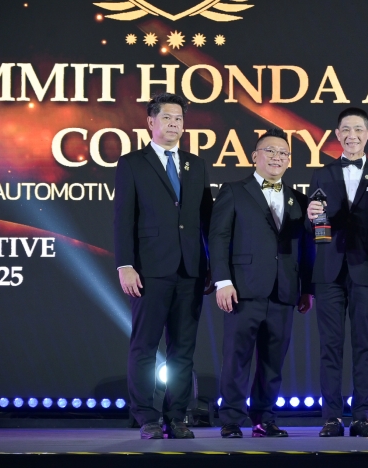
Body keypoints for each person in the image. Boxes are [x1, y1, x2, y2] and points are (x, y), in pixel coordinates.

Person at [114, 92, 213, 439]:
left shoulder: (195, 165)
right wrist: (125, 264)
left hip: (191, 269)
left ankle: (177, 416)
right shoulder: (132, 163)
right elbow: (123, 218)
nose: (174, 124)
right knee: (145, 346)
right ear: (151, 122)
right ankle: (146, 417)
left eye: (179, 119)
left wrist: (212, 267)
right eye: (167, 118)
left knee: (183, 348)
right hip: (149, 269)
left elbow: (206, 220)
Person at [209, 128, 314, 439]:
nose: (277, 157)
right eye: (270, 151)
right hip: (243, 289)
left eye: (283, 153)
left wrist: (306, 288)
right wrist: (223, 281)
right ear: (255, 156)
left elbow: (306, 248)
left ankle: (264, 418)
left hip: (284, 291)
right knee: (236, 357)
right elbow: (218, 238)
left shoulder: (298, 199)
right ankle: (231, 418)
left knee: (273, 362)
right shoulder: (233, 191)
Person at [307, 108, 368, 438]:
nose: (352, 135)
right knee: (329, 346)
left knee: (365, 346)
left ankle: (362, 417)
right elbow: (317, 229)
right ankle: (331, 417)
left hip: (367, 268)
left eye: (358, 129)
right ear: (337, 134)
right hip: (328, 271)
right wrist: (314, 218)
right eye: (346, 129)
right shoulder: (322, 174)